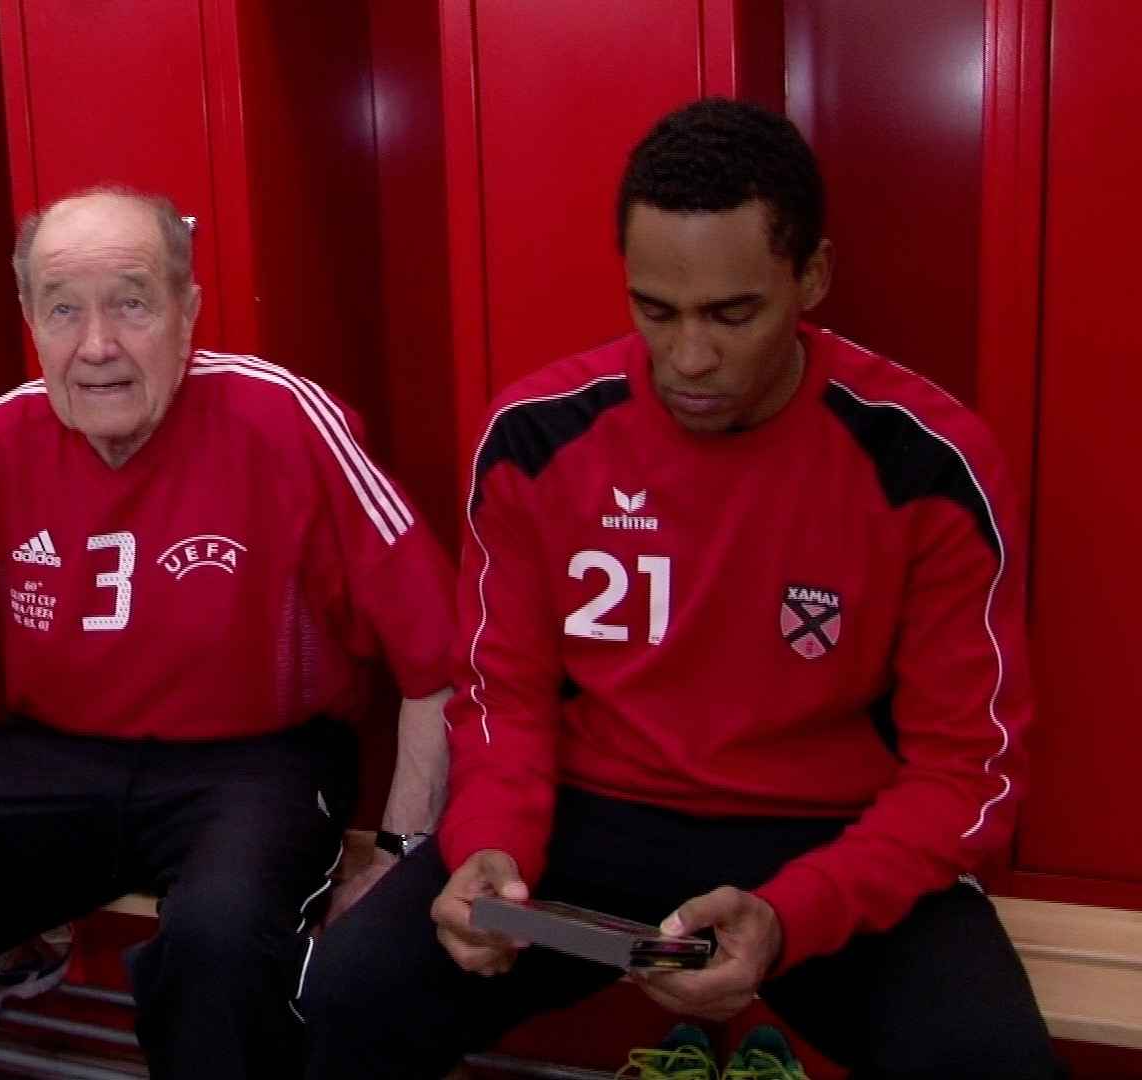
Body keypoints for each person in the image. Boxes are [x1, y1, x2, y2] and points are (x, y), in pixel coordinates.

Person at [298, 98, 1058, 1079]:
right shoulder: (540, 437)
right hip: (587, 827)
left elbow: (967, 775)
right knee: (354, 988)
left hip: (829, 844)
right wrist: (490, 846)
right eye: (656, 311)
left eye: (733, 314)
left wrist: (789, 916)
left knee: (992, 1065)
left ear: (813, 276)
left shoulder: (927, 464)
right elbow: (505, 703)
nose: (689, 358)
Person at [0, 187, 458, 1079]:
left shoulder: (283, 418)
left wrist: (399, 854)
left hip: (253, 762)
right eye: (63, 311)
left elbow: (439, 654)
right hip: (51, 754)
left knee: (219, 939)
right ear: (29, 320)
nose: (96, 347)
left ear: (187, 312)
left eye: (131, 303)